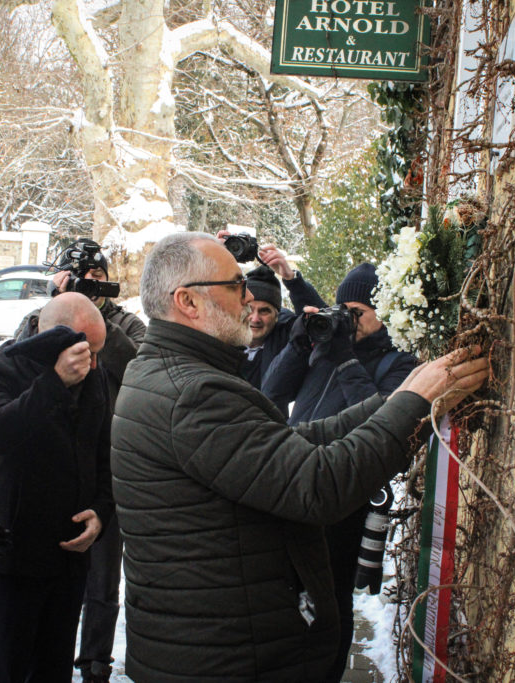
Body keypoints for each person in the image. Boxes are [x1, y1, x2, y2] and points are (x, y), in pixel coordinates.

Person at [111, 232, 488, 681]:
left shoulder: (170, 373)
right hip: (227, 658)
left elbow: (287, 440)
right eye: (235, 285)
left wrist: (396, 399)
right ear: (187, 302)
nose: (248, 297)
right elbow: (317, 485)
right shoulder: (194, 392)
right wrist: (413, 405)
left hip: (214, 645)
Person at [262, 262, 420, 682]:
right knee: (283, 590)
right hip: (294, 478)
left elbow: (383, 418)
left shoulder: (398, 363)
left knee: (330, 600)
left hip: (343, 493)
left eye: (358, 313)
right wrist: (299, 346)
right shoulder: (324, 344)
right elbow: (271, 393)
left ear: (382, 312)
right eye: (343, 311)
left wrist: (347, 359)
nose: (348, 321)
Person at [14, 238, 145, 682]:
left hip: (107, 462)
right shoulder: (41, 318)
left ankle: (95, 663)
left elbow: (140, 370)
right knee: (43, 569)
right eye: (81, 278)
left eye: (97, 277)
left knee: (103, 578)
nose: (90, 284)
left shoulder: (125, 322)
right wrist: (58, 312)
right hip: (49, 460)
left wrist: (97, 322)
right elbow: (16, 366)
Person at [0, 292, 114, 683]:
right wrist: (54, 383)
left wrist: (101, 512)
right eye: (87, 352)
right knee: (5, 669)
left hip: (70, 558)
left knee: (53, 670)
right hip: (15, 557)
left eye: (97, 353)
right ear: (55, 338)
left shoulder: (93, 372)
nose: (94, 364)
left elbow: (102, 452)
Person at [239, 244, 324, 414]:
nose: (255, 318)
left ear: (277, 315)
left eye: (264, 311)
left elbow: (321, 320)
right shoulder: (222, 336)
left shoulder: (286, 334)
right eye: (249, 309)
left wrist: (292, 279)